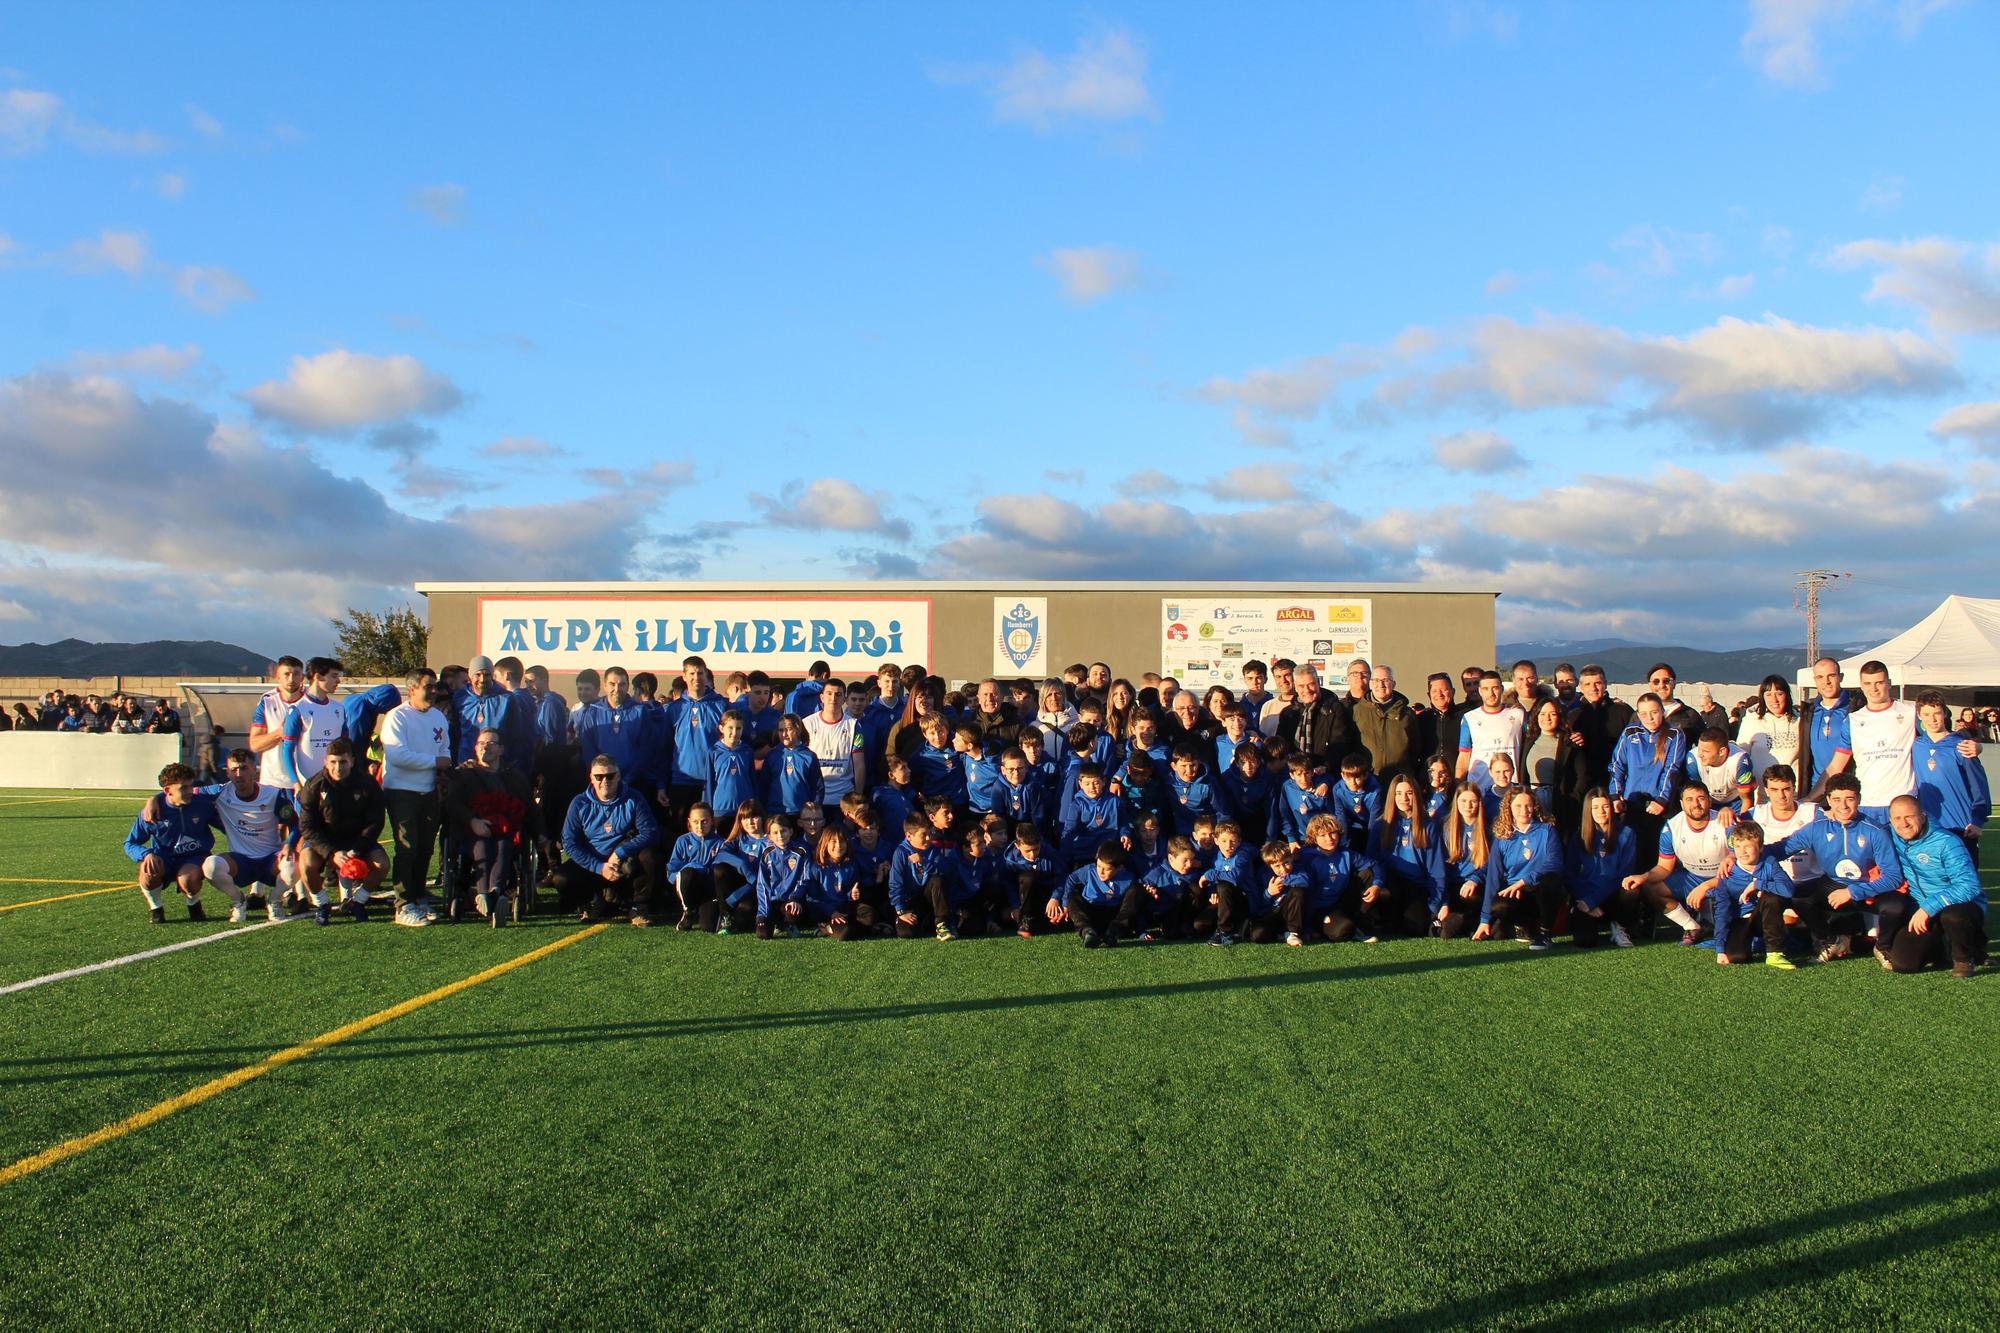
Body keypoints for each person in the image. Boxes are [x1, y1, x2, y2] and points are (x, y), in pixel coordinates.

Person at [1849, 660, 1979, 823]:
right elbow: (1837, 763)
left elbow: (1939, 735)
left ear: (1889, 683)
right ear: (1861, 685)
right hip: (1867, 803)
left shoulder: (1909, 713)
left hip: (1905, 802)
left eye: (1879, 682)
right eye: (1868, 683)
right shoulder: (1852, 720)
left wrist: (1972, 744)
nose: (1873, 688)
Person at [377, 671, 452, 927]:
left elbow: (445, 749)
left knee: (425, 847)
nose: (433, 692)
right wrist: (434, 762)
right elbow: (398, 756)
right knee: (407, 846)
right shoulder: (397, 717)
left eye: (435, 687)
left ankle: (419, 895)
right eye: (428, 687)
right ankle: (402, 903)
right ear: (411, 689)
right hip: (401, 790)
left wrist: (440, 769)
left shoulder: (438, 716)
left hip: (429, 789)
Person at [1884, 795, 1988, 977]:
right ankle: (1942, 944)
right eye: (1897, 818)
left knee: (1954, 916)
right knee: (1904, 964)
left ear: (1922, 816)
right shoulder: (1890, 837)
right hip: (1921, 910)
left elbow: (1969, 886)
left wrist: (1929, 907)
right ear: (1890, 820)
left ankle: (1965, 956)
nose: (1904, 823)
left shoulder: (1947, 841)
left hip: (1958, 906)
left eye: (1909, 816)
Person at [199, 748, 302, 923]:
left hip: (270, 860)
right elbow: (184, 792)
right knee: (210, 866)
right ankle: (238, 901)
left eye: (243, 768)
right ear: (228, 773)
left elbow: (295, 823)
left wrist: (289, 843)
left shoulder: (273, 794)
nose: (239, 774)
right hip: (241, 862)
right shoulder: (220, 792)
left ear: (254, 769)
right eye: (233, 770)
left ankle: (274, 900)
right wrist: (155, 801)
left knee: (297, 865)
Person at [557, 754, 661, 925]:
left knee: (649, 857)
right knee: (561, 879)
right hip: (593, 864)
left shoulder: (633, 798)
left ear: (618, 776)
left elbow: (650, 832)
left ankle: (639, 906)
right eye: (599, 776)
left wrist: (621, 852)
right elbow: (569, 843)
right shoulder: (579, 803)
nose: (605, 781)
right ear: (591, 777)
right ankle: (593, 902)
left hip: (624, 864)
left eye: (610, 776)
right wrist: (599, 867)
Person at [447, 728, 536, 926]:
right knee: (481, 844)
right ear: (475, 748)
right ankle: (485, 895)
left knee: (504, 845)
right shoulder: (464, 774)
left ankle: (494, 893)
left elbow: (529, 807)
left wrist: (543, 837)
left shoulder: (514, 777)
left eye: (491, 743)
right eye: (481, 743)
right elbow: (453, 804)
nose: (485, 747)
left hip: (505, 831)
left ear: (501, 749)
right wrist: (472, 821)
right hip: (472, 831)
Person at [1623, 783, 1731, 946]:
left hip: (1724, 879)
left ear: (1709, 800)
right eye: (1689, 799)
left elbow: (1739, 865)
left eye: (1701, 798)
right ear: (1681, 804)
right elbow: (1665, 867)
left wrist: (1706, 887)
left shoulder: (1724, 822)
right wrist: (1644, 876)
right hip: (1692, 877)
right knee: (1650, 886)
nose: (1696, 804)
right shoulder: (1672, 827)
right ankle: (1691, 926)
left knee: (1733, 935)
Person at [296, 738, 388, 926]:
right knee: (305, 866)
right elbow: (307, 827)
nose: (338, 767)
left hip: (356, 840)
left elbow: (376, 822)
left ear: (352, 761)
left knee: (382, 864)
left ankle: (358, 902)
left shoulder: (368, 784)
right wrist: (331, 852)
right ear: (325, 762)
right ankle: (322, 905)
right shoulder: (313, 786)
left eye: (343, 762)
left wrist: (357, 849)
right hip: (324, 841)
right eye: (333, 762)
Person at [1686, 820, 1799, 968]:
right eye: (1738, 846)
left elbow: (1789, 890)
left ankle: (1774, 953)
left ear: (1760, 847)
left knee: (1771, 898)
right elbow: (1722, 912)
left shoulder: (1769, 863)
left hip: (1764, 918)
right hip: (1741, 921)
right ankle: (1759, 942)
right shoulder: (1727, 874)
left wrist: (1758, 884)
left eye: (1747, 846)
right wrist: (1720, 948)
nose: (1742, 852)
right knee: (1737, 956)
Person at [124, 762, 218, 923]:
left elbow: (226, 823)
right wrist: (146, 854)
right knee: (148, 869)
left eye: (191, 786)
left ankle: (194, 905)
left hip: (194, 857)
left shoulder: (202, 803)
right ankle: (156, 909)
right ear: (168, 791)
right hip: (165, 858)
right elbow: (130, 843)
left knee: (188, 878)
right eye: (184, 788)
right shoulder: (153, 811)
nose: (190, 791)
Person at [1474, 787, 1563, 950]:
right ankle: (1524, 926)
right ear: (1509, 808)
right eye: (1518, 806)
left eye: (1528, 805)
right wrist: (1484, 920)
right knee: (1499, 905)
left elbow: (1555, 863)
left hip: (1540, 891)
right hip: (1519, 894)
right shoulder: (1502, 837)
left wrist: (1526, 879)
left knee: (1551, 881)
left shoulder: (1547, 830)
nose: (1524, 810)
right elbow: (1494, 877)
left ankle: (1545, 933)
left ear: (1534, 806)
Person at [1608, 693, 1688, 867]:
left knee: (1653, 855)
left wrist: (1662, 799)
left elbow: (1672, 770)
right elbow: (1617, 765)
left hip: (1658, 806)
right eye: (1643, 714)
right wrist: (1615, 795)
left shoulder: (1675, 734)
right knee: (1631, 854)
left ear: (1662, 711)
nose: (1649, 718)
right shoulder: (1630, 732)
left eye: (1654, 712)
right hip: (1631, 803)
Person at [1913, 690, 1990, 851]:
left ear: (1945, 714)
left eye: (1937, 713)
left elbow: (1979, 785)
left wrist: (1977, 820)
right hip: (1929, 829)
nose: (1932, 719)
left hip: (1961, 827)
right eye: (1926, 714)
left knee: (1964, 876)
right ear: (1919, 716)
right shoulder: (1915, 745)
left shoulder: (1962, 746)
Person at [1567, 789, 1639, 948]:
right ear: (1588, 810)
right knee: (1585, 942)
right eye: (1595, 807)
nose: (1601, 811)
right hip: (1585, 898)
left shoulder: (1626, 833)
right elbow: (1570, 873)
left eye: (1605, 806)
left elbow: (1623, 874)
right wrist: (1585, 901)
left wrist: (1592, 900)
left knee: (1631, 890)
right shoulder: (1579, 836)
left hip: (1612, 896)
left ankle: (1620, 926)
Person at [666, 656, 727, 826]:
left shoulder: (721, 705)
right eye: (692, 673)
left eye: (700, 673)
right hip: (681, 780)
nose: (696, 678)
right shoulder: (674, 709)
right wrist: (661, 784)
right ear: (684, 676)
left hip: (711, 780)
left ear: (706, 675)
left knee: (710, 831)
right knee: (680, 831)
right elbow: (664, 748)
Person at [1047, 842, 1143, 948]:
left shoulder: (1128, 878)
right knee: (1073, 896)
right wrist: (1065, 905)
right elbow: (1071, 879)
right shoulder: (1090, 870)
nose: (1101, 871)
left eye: (1106, 869)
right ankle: (1087, 932)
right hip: (1091, 913)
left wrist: (1141, 931)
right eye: (1099, 866)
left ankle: (1113, 933)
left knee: (1136, 890)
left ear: (1119, 868)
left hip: (1112, 916)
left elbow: (1131, 906)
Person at [1519, 696, 1588, 833]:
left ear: (1560, 717)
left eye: (1552, 714)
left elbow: (1583, 776)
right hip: (1532, 801)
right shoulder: (1529, 740)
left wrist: (1573, 800)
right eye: (1542, 714)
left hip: (1559, 802)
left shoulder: (1570, 742)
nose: (1547, 718)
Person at [1277, 665, 1356, 780]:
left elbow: (1340, 743)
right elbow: (1283, 746)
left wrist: (1325, 766)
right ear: (1296, 687)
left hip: (1325, 775)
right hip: (1295, 776)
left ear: (1318, 682)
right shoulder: (1288, 713)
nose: (1306, 690)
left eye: (1311, 684)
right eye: (1301, 686)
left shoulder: (1334, 709)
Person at [1455, 670, 1524, 797]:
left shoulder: (1518, 714)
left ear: (1502, 689)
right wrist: (1458, 784)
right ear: (1480, 691)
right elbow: (1464, 755)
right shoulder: (1469, 718)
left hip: (1510, 789)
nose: (1491, 693)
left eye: (1495, 688)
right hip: (1479, 789)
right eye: (1486, 689)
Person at [803, 678, 865, 816]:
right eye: (829, 693)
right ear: (822, 697)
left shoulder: (854, 726)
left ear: (844, 699)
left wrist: (858, 797)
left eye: (838, 694)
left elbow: (859, 764)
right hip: (815, 798)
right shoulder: (807, 724)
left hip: (843, 798)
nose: (833, 698)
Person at [664, 801, 728, 931]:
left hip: (709, 891)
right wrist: (679, 879)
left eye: (704, 821)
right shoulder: (683, 841)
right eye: (695, 822)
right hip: (688, 889)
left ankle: (703, 911)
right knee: (688, 872)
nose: (700, 826)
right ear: (689, 822)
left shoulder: (721, 843)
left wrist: (704, 871)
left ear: (712, 821)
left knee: (709, 927)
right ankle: (688, 912)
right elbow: (672, 869)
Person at [1568, 665, 1632, 788]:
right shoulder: (1573, 717)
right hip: (1584, 784)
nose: (1593, 688)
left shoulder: (1623, 711)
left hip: (1617, 782)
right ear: (1580, 687)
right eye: (1588, 684)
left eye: (1598, 683)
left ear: (1605, 684)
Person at [1800, 657, 1854, 801]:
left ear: (1840, 677)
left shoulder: (1856, 709)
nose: (1826, 682)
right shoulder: (1808, 712)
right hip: (1815, 792)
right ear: (1815, 680)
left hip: (1847, 793)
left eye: (1831, 675)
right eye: (1820, 677)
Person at [1735, 675, 1802, 787]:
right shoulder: (1752, 721)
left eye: (1779, 694)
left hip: (1793, 793)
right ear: (1763, 697)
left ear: (1787, 695)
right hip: (1762, 794)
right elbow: (1741, 755)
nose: (1774, 700)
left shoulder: (1800, 721)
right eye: (1768, 695)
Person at [1352, 664, 1416, 779]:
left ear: (1393, 684)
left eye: (1385, 680)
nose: (1381, 685)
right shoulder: (1357, 711)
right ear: (1370, 684)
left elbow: (1416, 748)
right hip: (1367, 779)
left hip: (1400, 779)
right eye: (1376, 680)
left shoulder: (1407, 713)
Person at [1683, 728, 1755, 818]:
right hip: (1706, 803)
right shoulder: (1693, 759)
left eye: (1705, 751)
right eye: (1699, 749)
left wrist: (1742, 824)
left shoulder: (1740, 762)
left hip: (1735, 802)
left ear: (1722, 751)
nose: (1699, 755)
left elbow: (1747, 799)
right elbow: (1695, 793)